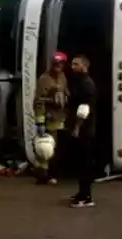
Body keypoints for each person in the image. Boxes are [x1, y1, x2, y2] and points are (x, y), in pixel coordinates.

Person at [66, 54, 102, 208]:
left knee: (85, 163)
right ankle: (82, 192)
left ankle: (86, 196)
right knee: (81, 162)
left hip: (85, 129)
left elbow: (84, 108)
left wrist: (76, 127)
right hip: (84, 128)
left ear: (84, 66)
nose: (72, 67)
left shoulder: (86, 84)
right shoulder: (81, 82)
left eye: (75, 64)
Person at [32, 52, 69, 185]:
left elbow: (66, 93)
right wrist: (40, 120)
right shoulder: (44, 79)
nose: (57, 66)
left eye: (60, 64)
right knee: (45, 148)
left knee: (57, 148)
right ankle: (42, 176)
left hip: (60, 117)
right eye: (55, 64)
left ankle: (52, 174)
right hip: (49, 119)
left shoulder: (63, 77)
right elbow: (38, 101)